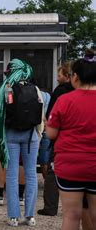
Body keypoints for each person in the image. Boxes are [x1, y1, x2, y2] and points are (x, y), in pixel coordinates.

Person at [46, 49, 96, 230]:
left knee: (71, 215)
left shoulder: (65, 100)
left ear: (75, 76)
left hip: (70, 165)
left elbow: (51, 133)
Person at [0, 59, 44, 227]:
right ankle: (29, 216)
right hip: (31, 136)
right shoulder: (35, 89)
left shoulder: (4, 90)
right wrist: (39, 133)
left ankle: (13, 216)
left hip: (11, 134)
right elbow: (40, 115)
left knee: (12, 174)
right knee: (31, 174)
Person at [38, 62, 74, 216]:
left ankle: (50, 206)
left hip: (61, 137)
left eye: (59, 75)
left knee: (54, 171)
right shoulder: (80, 92)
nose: (57, 78)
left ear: (67, 76)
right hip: (79, 138)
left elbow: (51, 115)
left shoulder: (59, 92)